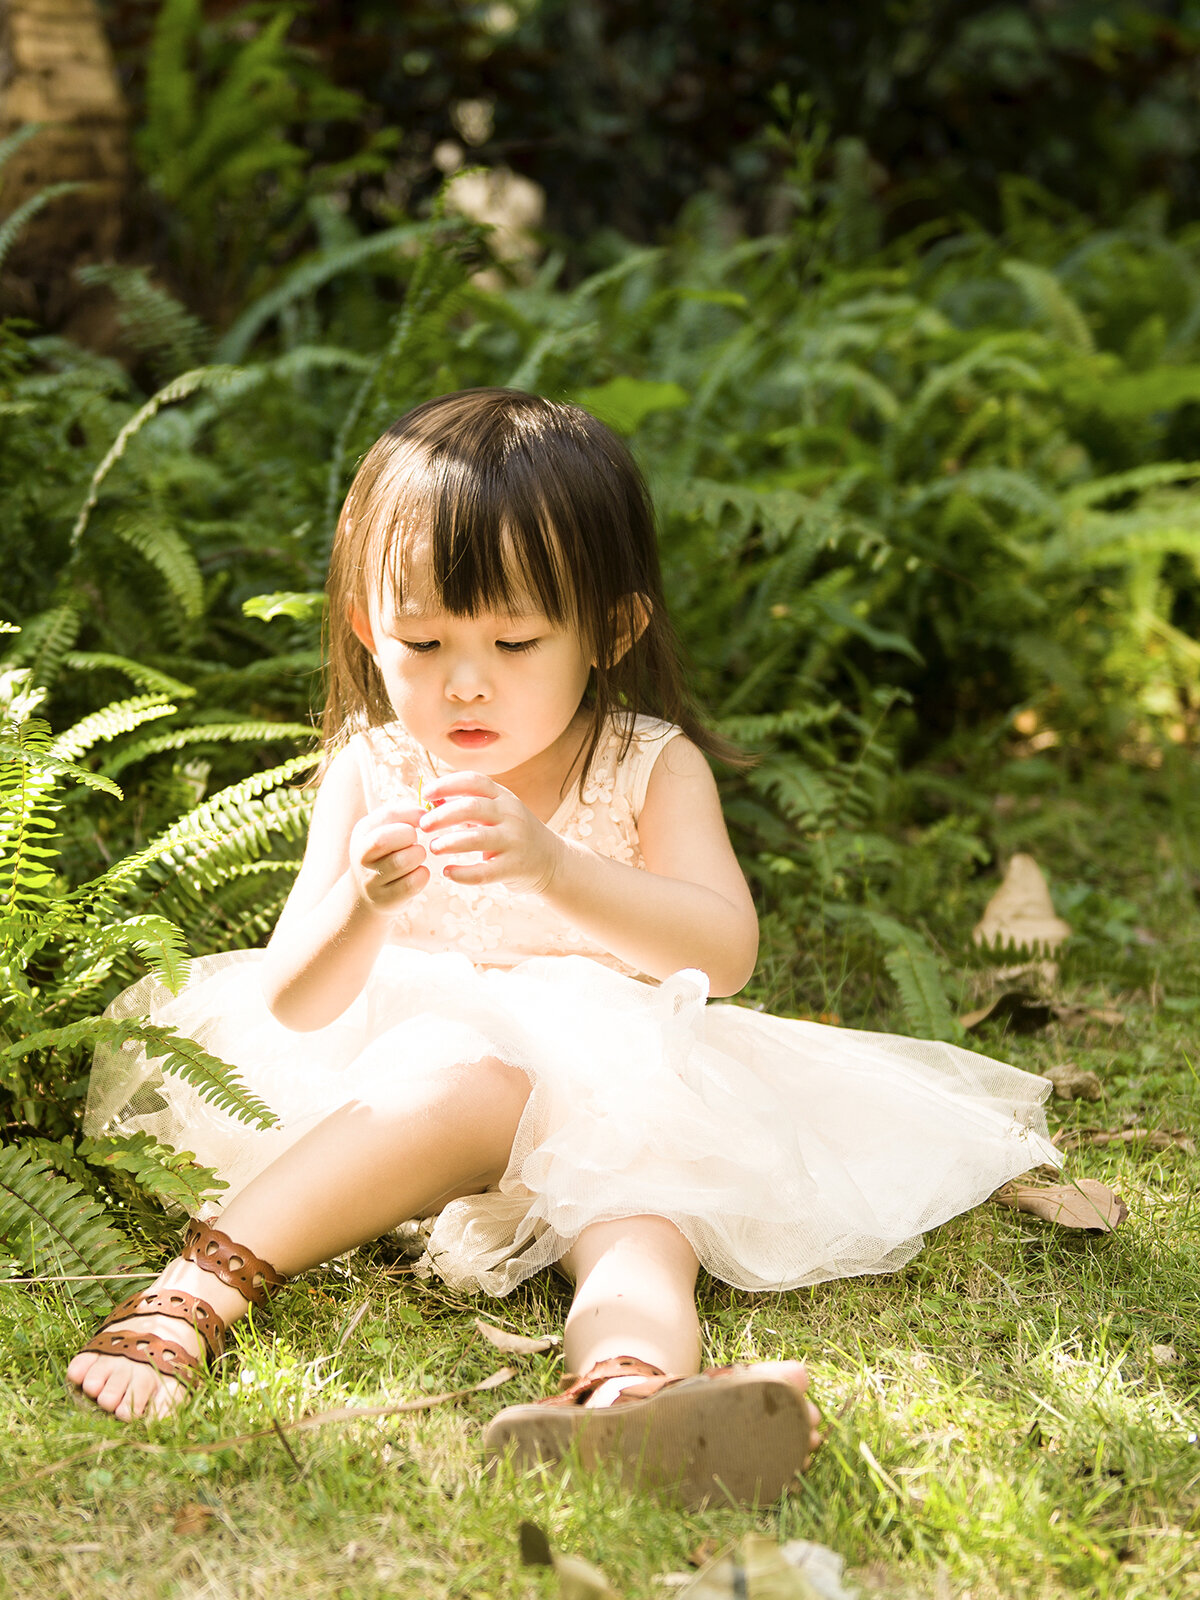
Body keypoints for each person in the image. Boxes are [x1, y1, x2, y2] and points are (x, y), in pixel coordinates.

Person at [67, 388, 1064, 1506]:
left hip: (610, 1081)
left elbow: (724, 952)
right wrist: (364, 899)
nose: (465, 679)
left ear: (612, 630)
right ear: (366, 627)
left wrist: (556, 869)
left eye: (514, 641)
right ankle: (197, 1288)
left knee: (644, 1203)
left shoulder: (648, 764)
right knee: (475, 1078)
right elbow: (295, 999)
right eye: (422, 641)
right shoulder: (374, 769)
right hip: (402, 1090)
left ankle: (628, 1389)